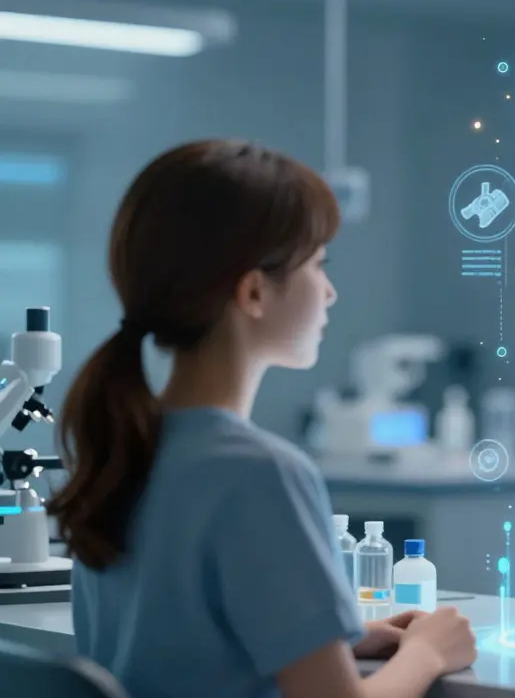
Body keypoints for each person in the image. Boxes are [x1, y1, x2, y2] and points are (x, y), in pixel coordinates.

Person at [46, 139, 477, 698]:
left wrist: (335, 641)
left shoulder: (122, 453)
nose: (330, 291)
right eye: (318, 265)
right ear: (253, 290)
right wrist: (426, 653)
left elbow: (183, 651)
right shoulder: (261, 473)